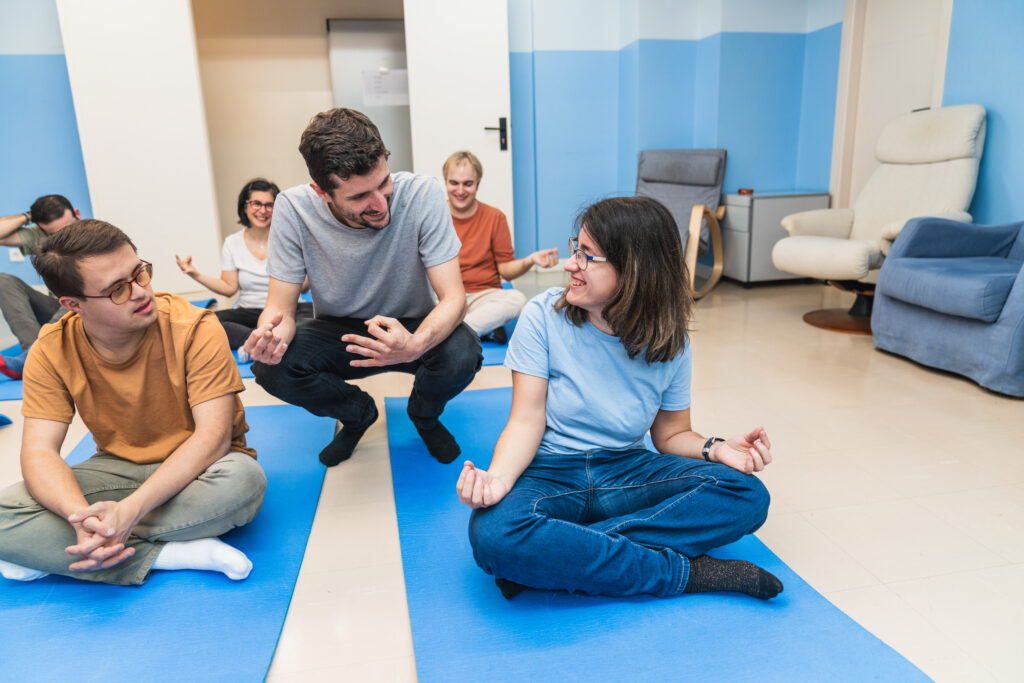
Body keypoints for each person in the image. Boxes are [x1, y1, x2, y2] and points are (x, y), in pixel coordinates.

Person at [456, 196, 782, 601]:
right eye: (577, 248)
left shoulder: (671, 340)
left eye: (588, 256)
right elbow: (525, 421)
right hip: (551, 471)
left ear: (634, 271)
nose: (571, 264)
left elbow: (671, 434)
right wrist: (497, 481)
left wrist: (716, 449)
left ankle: (558, 556)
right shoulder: (542, 317)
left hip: (626, 471)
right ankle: (685, 574)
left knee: (747, 495)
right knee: (493, 534)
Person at [0, 220, 266, 585]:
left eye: (140, 273)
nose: (142, 292)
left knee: (243, 483)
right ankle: (170, 555)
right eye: (117, 290)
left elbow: (214, 437)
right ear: (72, 304)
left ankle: (52, 550)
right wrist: (80, 515)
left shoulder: (195, 327)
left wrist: (128, 513)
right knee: (3, 513)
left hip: (203, 469)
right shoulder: (52, 347)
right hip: (118, 468)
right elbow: (39, 452)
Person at [243, 108, 481, 467]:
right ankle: (357, 414)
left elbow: (454, 298)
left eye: (383, 184)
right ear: (322, 192)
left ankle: (424, 415)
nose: (380, 203)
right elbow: (281, 308)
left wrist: (414, 345)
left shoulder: (423, 194)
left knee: (465, 352)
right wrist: (269, 335)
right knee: (271, 369)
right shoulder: (293, 209)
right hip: (340, 330)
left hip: (412, 321)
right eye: (359, 197)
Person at [175, 178, 313, 349]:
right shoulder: (232, 243)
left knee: (316, 325)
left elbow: (303, 287)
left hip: (289, 310)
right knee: (205, 323)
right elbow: (229, 288)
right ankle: (262, 341)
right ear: (245, 205)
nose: (263, 210)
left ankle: (261, 341)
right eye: (257, 203)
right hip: (249, 311)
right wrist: (195, 274)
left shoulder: (289, 238)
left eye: (269, 205)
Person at [443, 150, 558, 343]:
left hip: (484, 297)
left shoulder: (495, 217)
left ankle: (450, 332)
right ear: (445, 182)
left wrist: (531, 260)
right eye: (454, 183)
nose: (460, 190)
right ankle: (479, 328)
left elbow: (506, 271)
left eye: (468, 184)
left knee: (516, 300)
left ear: (477, 184)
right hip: (445, 296)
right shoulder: (435, 215)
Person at [0, 194, 81, 378]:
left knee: (76, 290)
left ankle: (32, 358)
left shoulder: (93, 234)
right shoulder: (39, 235)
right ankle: (34, 355)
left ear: (77, 214)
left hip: (85, 308)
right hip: (56, 310)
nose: (62, 237)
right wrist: (28, 216)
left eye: (67, 228)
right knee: (2, 280)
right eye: (54, 234)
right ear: (41, 229)